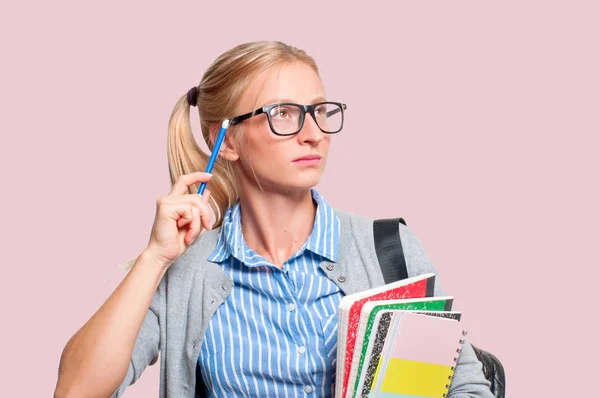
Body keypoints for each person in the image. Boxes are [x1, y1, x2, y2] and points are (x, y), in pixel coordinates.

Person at [54, 41, 493, 398]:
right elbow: (76, 392)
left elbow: (468, 389)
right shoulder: (184, 273)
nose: (314, 133)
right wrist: (154, 258)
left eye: (320, 111)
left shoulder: (386, 249)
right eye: (283, 113)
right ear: (225, 142)